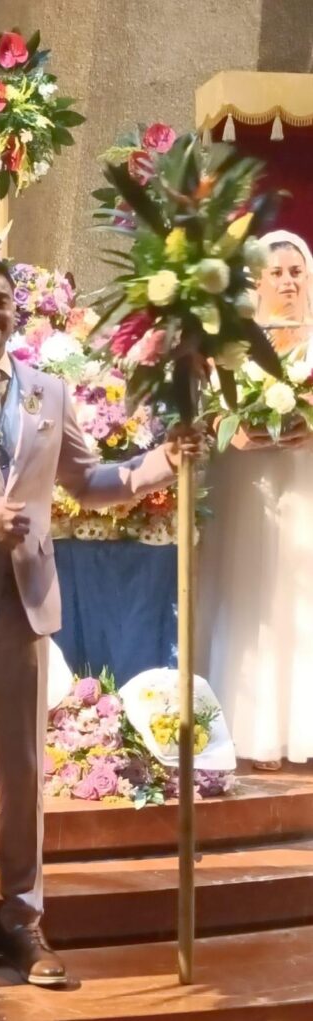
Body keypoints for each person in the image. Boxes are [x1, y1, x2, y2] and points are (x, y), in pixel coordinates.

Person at [0, 253, 200, 994]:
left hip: (25, 606)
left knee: (24, 774)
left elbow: (88, 482)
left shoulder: (48, 392)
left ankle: (25, 920)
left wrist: (160, 462)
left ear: (16, 312)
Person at [197, 229, 313, 771]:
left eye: (297, 272)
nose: (288, 281)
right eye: (277, 272)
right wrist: (229, 429)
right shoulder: (231, 342)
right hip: (245, 487)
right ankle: (252, 730)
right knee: (246, 596)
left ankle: (301, 731)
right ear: (256, 280)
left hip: (303, 485)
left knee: (299, 597)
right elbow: (201, 410)